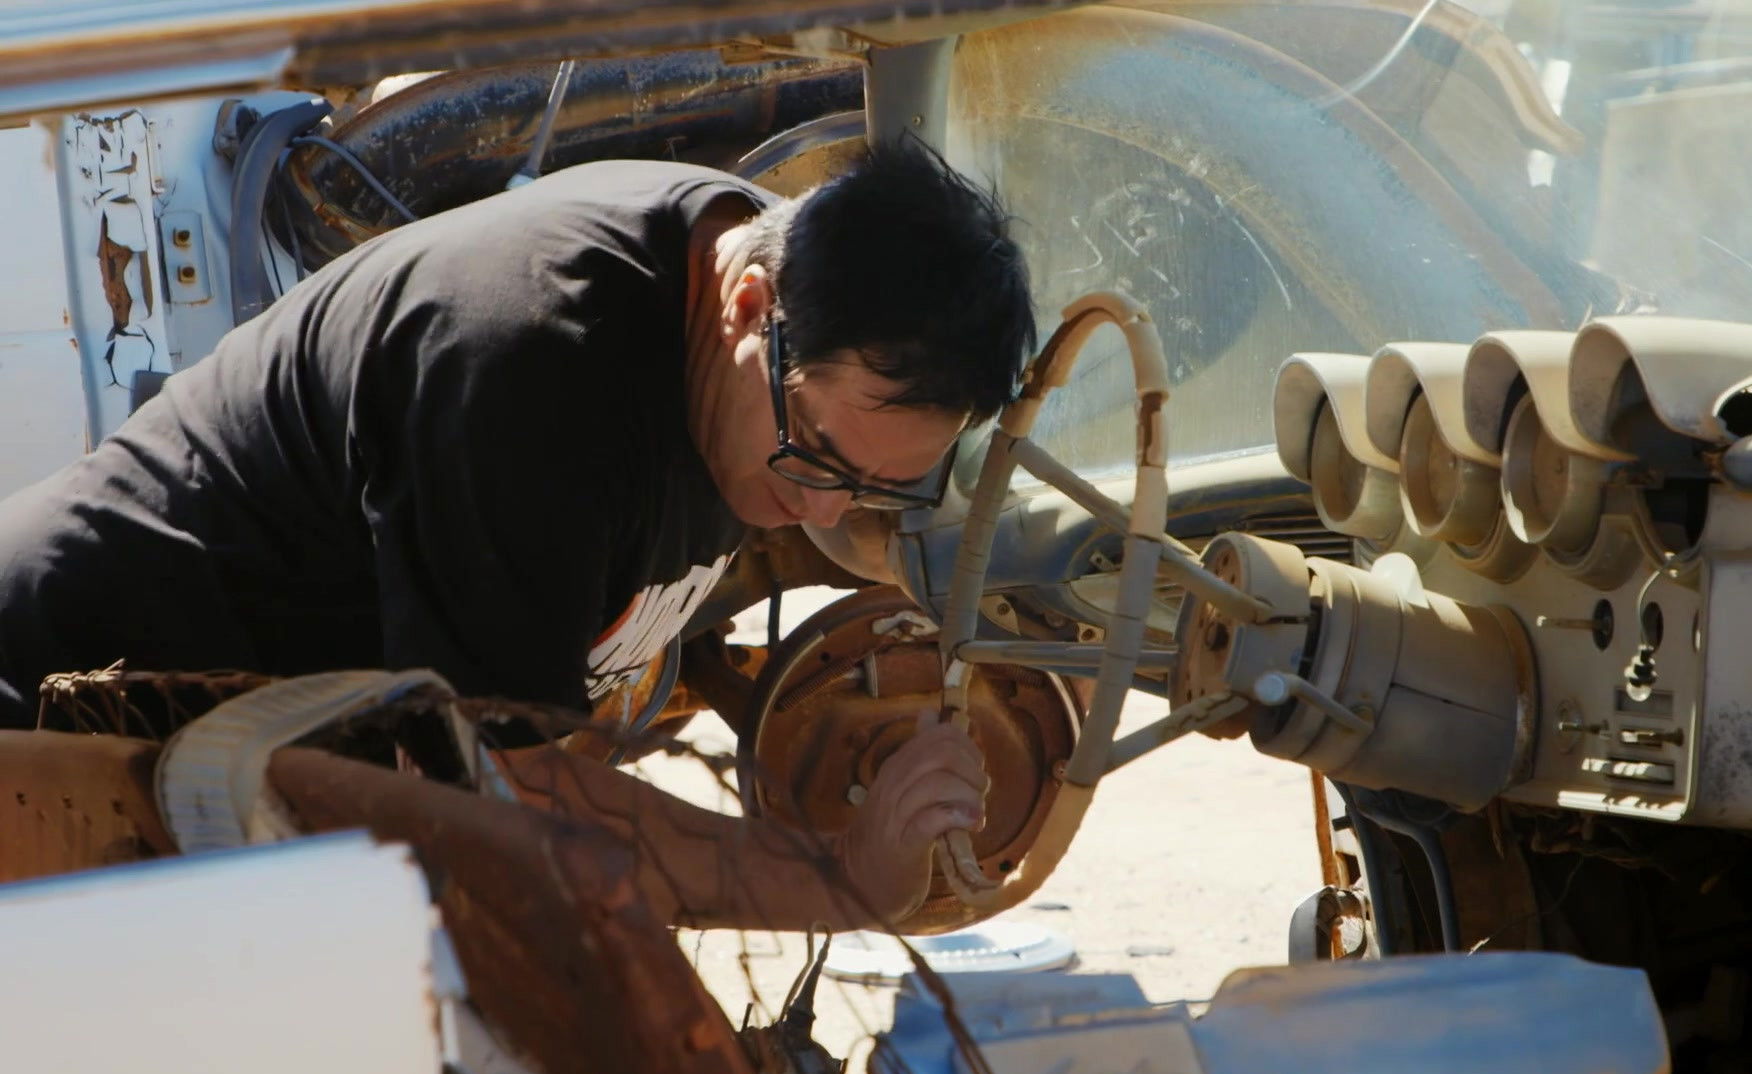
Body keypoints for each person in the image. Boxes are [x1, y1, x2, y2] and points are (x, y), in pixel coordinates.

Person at [0, 139, 1037, 927]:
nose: (821, 511)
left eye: (873, 488)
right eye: (814, 456)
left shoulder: (790, 271)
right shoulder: (534, 370)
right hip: (56, 729)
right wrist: (839, 881)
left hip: (246, 774)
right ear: (749, 305)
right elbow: (512, 813)